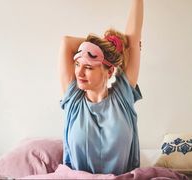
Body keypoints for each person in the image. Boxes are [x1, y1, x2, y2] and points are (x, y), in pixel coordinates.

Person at [58, 0, 143, 175]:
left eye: (88, 67)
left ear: (109, 70)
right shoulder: (73, 100)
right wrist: (109, 48)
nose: (79, 73)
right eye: (77, 64)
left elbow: (133, 41)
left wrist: (112, 51)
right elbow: (66, 43)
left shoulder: (122, 97)